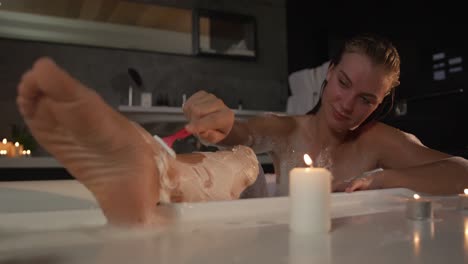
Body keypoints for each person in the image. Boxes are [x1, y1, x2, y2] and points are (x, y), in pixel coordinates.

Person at [183, 33, 468, 196]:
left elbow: (462, 171)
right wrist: (221, 124)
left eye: (365, 100)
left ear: (379, 104)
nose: (346, 104)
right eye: (344, 83)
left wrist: (381, 179)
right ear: (330, 73)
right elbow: (242, 133)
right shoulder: (288, 130)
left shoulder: (377, 141)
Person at [16, 57, 260, 227]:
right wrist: (228, 128)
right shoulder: (296, 124)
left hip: (259, 192)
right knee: (247, 160)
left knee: (247, 163)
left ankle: (159, 169)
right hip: (254, 179)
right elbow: (265, 133)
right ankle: (159, 170)